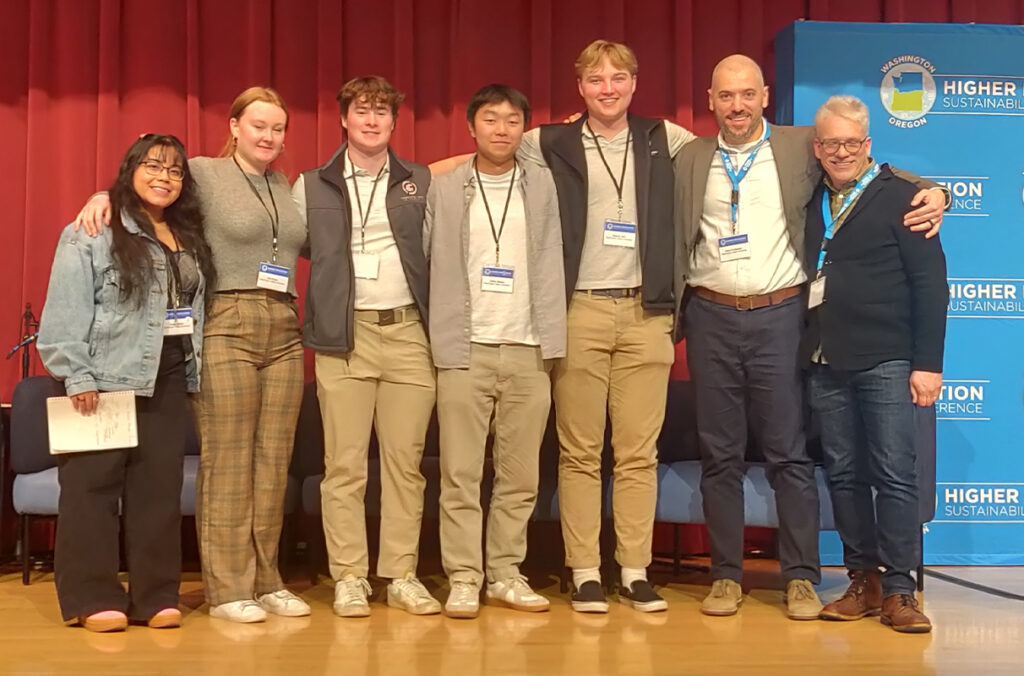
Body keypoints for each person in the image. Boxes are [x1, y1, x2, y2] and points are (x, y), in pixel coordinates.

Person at [673, 54, 947, 620]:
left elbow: (892, 180)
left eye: (748, 93)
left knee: (801, 457)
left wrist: (942, 191)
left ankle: (822, 580)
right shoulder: (691, 155)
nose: (738, 105)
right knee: (737, 457)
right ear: (710, 100)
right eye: (726, 95)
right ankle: (735, 576)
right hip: (728, 321)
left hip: (792, 323)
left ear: (765, 95)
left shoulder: (802, 147)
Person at [74, 87, 310, 623]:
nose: (269, 136)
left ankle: (266, 578)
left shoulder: (285, 186)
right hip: (226, 321)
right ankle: (228, 588)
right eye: (258, 126)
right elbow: (150, 187)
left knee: (273, 461)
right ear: (234, 126)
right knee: (228, 460)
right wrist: (102, 197)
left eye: (278, 128)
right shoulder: (202, 172)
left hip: (284, 324)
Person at [517, 39, 696, 614]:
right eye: (596, 79)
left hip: (648, 312)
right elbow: (477, 159)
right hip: (580, 311)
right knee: (579, 452)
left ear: (635, 83)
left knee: (638, 453)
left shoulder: (665, 138)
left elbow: (749, 154)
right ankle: (586, 570)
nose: (608, 88)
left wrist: (925, 186)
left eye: (618, 77)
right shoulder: (546, 142)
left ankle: (636, 570)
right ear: (580, 88)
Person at [38, 134, 213, 632]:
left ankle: (155, 595)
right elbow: (66, 308)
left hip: (171, 373)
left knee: (156, 491)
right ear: (131, 170)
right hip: (104, 376)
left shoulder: (188, 231)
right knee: (91, 490)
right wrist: (76, 374)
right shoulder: (94, 229)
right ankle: (92, 598)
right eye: (154, 166)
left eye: (176, 171)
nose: (165, 177)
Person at [291, 76, 437, 618]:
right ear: (344, 119)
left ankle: (400, 573)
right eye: (362, 111)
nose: (372, 120)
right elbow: (283, 240)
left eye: (382, 112)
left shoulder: (420, 181)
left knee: (406, 464)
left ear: (395, 123)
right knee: (345, 467)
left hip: (408, 336)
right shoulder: (311, 184)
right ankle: (349, 575)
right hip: (343, 337)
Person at [803, 96, 947, 633]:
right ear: (817, 148)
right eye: (830, 144)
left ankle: (901, 590)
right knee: (843, 473)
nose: (840, 153)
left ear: (867, 146)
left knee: (894, 474)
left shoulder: (905, 199)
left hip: (888, 358)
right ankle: (861, 580)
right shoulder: (810, 195)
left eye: (850, 143)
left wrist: (928, 364)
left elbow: (932, 287)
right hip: (824, 358)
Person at [426, 84, 565, 619]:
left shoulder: (545, 186)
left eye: (512, 120)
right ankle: (464, 576)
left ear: (523, 129)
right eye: (490, 119)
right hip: (465, 348)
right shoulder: (445, 187)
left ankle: (505, 572)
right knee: (460, 473)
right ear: (472, 127)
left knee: (520, 474)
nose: (501, 129)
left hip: (530, 348)